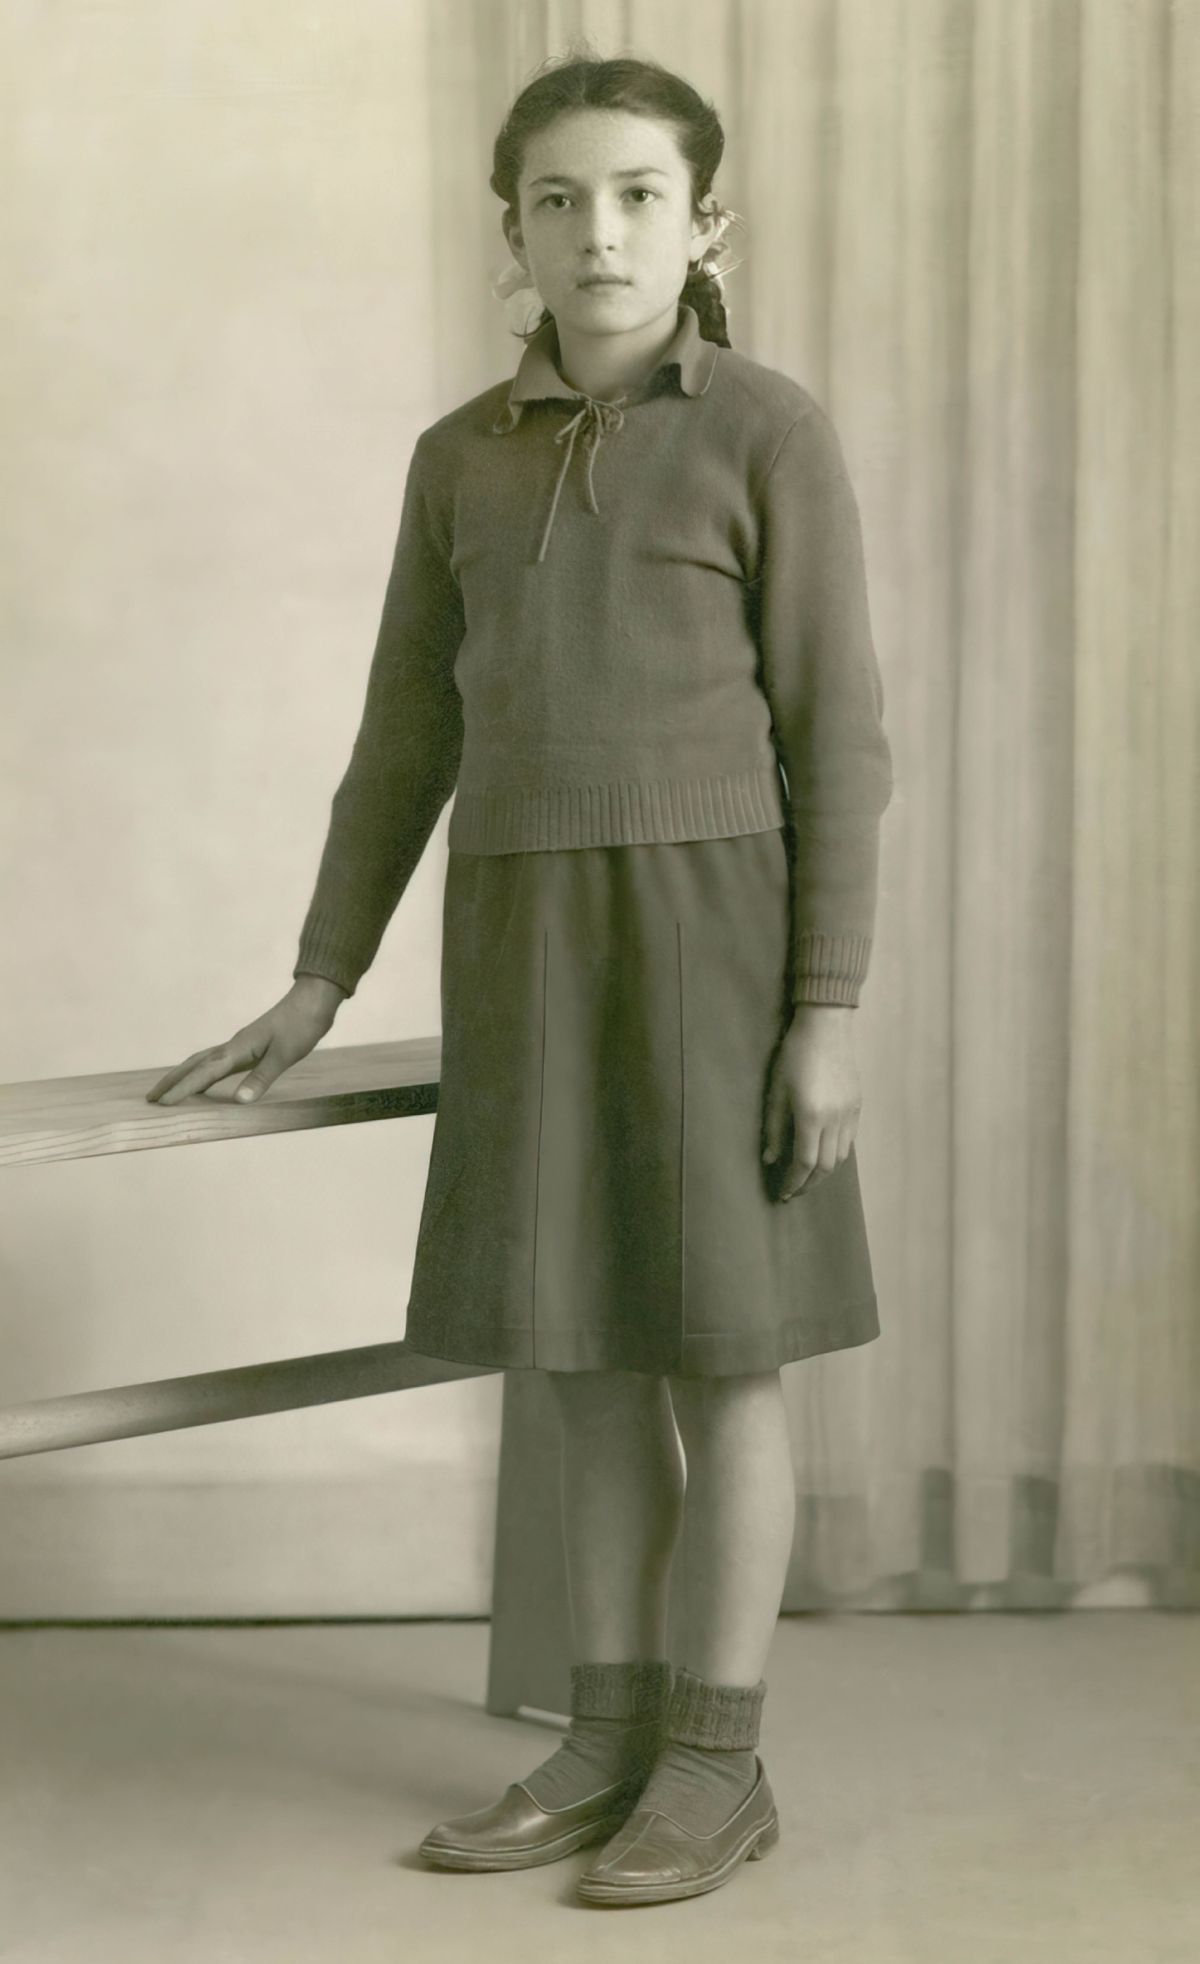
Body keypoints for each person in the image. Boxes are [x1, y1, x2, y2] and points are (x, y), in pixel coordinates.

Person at [147, 49, 893, 1909]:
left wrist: (826, 1010)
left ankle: (716, 1759)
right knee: (579, 1361)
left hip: (720, 947)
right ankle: (607, 1731)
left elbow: (841, 741)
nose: (600, 233)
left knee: (724, 1359)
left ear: (707, 227)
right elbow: (403, 740)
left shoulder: (768, 432)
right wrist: (317, 981)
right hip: (525, 941)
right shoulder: (455, 460)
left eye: (640, 196)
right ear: (516, 235)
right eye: (560, 201)